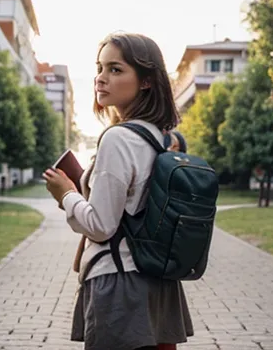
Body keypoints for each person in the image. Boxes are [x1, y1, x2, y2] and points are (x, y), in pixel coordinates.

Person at [44, 33, 193, 350]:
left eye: (116, 69)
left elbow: (101, 226)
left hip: (120, 280)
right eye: (100, 68)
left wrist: (66, 194)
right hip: (159, 281)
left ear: (146, 81)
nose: (100, 78)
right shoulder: (163, 137)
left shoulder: (118, 139)